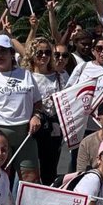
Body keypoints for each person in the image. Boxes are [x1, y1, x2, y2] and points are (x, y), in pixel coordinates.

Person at [0, 34, 44, 182]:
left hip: (24, 134)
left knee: (30, 177)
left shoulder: (26, 75)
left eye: (3, 51)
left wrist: (36, 116)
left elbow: (37, 102)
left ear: (11, 53)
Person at [27, 37, 66, 186]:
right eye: (39, 52)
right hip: (33, 126)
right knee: (31, 170)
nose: (44, 56)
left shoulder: (58, 76)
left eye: (47, 52)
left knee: (50, 169)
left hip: (54, 128)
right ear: (32, 54)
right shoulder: (26, 76)